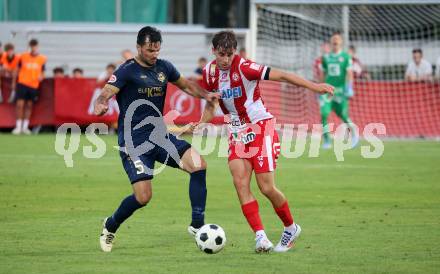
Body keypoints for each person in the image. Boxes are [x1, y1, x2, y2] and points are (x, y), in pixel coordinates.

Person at [190, 31, 333, 253]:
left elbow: (284, 76)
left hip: (260, 126)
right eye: (221, 54)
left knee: (266, 187)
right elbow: (212, 104)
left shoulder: (246, 67)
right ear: (213, 51)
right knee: (240, 184)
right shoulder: (209, 72)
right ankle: (261, 237)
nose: (225, 59)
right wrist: (200, 123)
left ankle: (291, 227)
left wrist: (315, 86)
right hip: (236, 131)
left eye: (229, 54)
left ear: (235, 52)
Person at [94, 26, 219, 253]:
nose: (154, 54)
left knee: (199, 165)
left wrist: (206, 95)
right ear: (139, 47)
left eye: (157, 50)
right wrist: (100, 104)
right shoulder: (126, 70)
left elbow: (187, 85)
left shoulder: (164, 67)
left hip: (159, 136)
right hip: (134, 142)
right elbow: (105, 93)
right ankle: (110, 225)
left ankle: (197, 224)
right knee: (143, 197)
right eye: (150, 50)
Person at [320, 32, 358, 149]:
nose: (335, 42)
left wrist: (349, 88)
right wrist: (319, 88)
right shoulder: (325, 57)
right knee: (324, 114)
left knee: (343, 115)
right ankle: (327, 140)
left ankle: (354, 133)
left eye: (337, 40)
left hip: (340, 91)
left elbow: (349, 73)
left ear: (341, 42)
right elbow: (323, 73)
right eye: (333, 40)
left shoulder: (346, 57)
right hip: (328, 92)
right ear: (331, 43)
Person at [12, 39, 46, 135]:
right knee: (19, 105)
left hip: (34, 85)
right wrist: (14, 83)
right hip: (22, 83)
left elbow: (43, 71)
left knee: (29, 106)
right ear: (29, 46)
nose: (33, 47)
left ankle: (25, 127)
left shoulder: (42, 58)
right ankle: (18, 126)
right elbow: (17, 69)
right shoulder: (23, 56)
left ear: (37, 46)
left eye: (35, 45)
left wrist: (41, 76)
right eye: (32, 45)